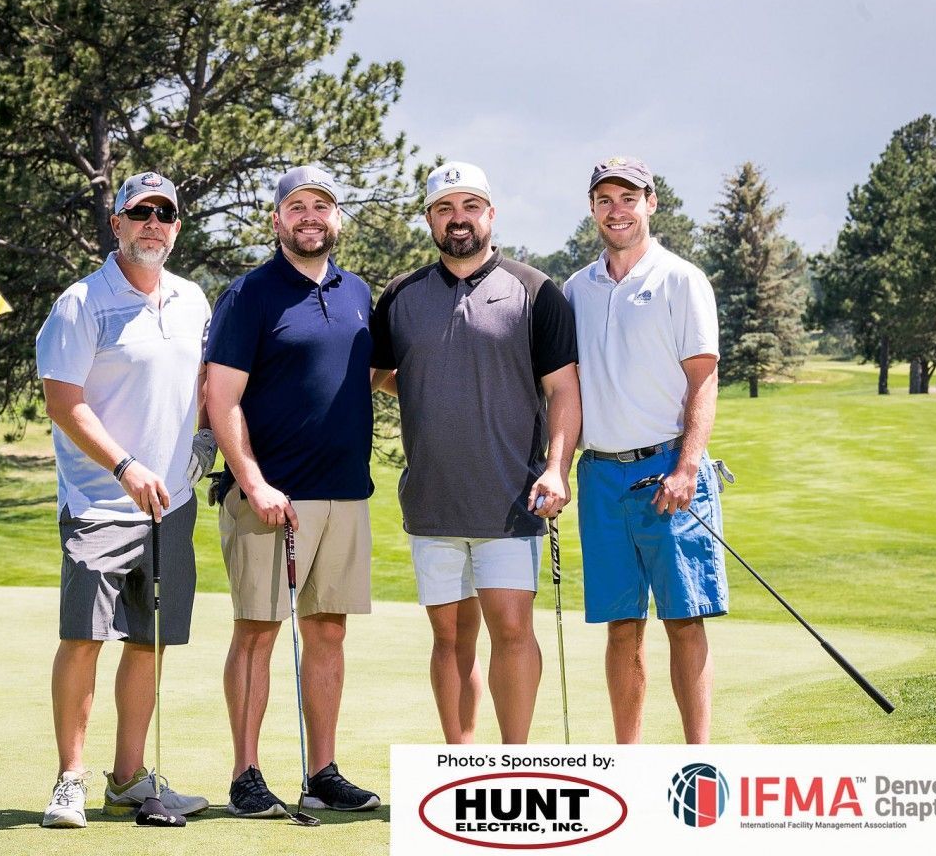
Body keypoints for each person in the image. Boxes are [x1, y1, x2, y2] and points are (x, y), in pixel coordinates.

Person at [370, 161, 582, 744]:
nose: (457, 218)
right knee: (449, 640)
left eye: (469, 206)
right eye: (444, 208)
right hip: (432, 500)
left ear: (490, 214)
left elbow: (564, 389)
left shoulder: (535, 291)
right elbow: (377, 375)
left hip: (511, 498)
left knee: (512, 631)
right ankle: (460, 765)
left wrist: (557, 469)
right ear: (430, 219)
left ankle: (514, 762)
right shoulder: (400, 295)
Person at [35, 171, 215, 828]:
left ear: (177, 227)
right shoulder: (81, 303)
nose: (153, 224)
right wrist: (124, 465)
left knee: (148, 641)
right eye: (140, 213)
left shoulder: (192, 299)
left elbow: (204, 383)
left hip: (171, 504)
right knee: (84, 638)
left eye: (164, 214)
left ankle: (129, 778)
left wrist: (204, 439)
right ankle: (70, 781)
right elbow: (63, 401)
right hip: (100, 505)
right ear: (117, 224)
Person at [204, 165, 381, 817]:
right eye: (297, 206)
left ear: (336, 218)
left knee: (328, 632)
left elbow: (371, 375)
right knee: (258, 632)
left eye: (321, 206)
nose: (310, 217)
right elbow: (220, 397)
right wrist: (252, 481)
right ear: (276, 219)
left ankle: (322, 772)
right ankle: (245, 775)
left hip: (345, 493)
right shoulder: (249, 294)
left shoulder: (357, 291)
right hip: (269, 497)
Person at [562, 156, 727, 744]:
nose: (617, 210)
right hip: (601, 476)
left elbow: (703, 377)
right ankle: (627, 763)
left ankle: (698, 760)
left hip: (669, 471)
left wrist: (688, 467)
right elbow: (566, 390)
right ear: (592, 208)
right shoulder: (575, 290)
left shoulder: (681, 279)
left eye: (628, 198)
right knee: (621, 626)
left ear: (651, 203)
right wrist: (557, 468)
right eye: (605, 199)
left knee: (684, 620)